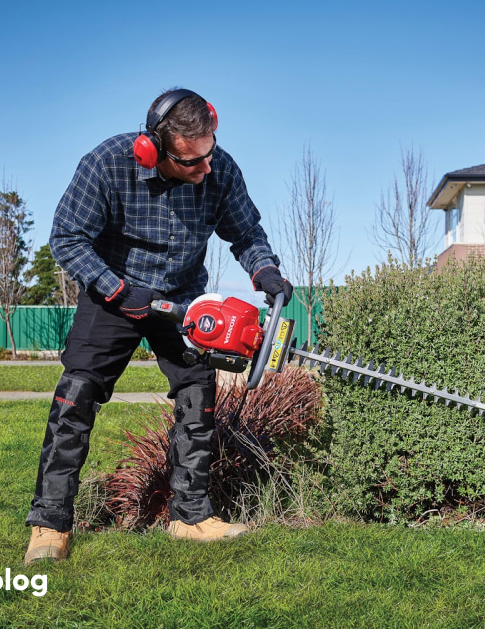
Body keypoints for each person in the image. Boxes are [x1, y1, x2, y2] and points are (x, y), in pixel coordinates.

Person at [24, 88, 293, 564]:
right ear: (154, 150)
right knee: (76, 398)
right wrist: (115, 289)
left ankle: (189, 518)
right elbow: (66, 239)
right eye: (192, 162)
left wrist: (265, 270)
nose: (206, 168)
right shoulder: (107, 164)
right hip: (113, 296)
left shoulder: (219, 166)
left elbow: (246, 233)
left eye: (209, 153)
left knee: (197, 396)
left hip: (184, 300)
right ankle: (50, 525)